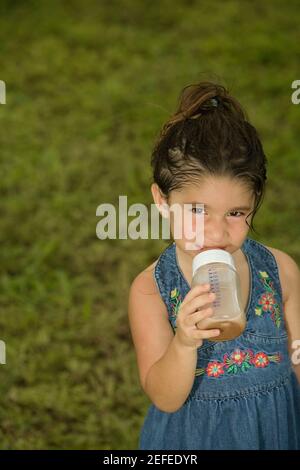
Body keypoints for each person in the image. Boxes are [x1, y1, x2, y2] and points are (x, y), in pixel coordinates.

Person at [128, 81, 300, 450]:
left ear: (254, 203)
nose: (217, 232)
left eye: (236, 213)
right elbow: (165, 397)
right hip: (194, 438)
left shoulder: (280, 271)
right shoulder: (151, 291)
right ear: (162, 200)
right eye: (196, 211)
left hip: (275, 432)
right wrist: (184, 342)